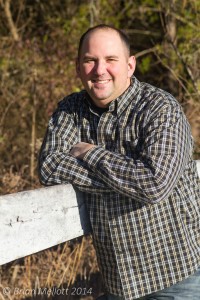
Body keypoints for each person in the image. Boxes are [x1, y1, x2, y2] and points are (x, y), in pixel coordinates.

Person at [38, 24, 200, 300]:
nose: (100, 70)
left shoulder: (160, 108)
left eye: (110, 59)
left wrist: (90, 153)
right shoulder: (70, 109)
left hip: (177, 278)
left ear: (130, 65)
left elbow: (153, 185)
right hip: (117, 283)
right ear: (78, 66)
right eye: (90, 60)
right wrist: (128, 180)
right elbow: (50, 166)